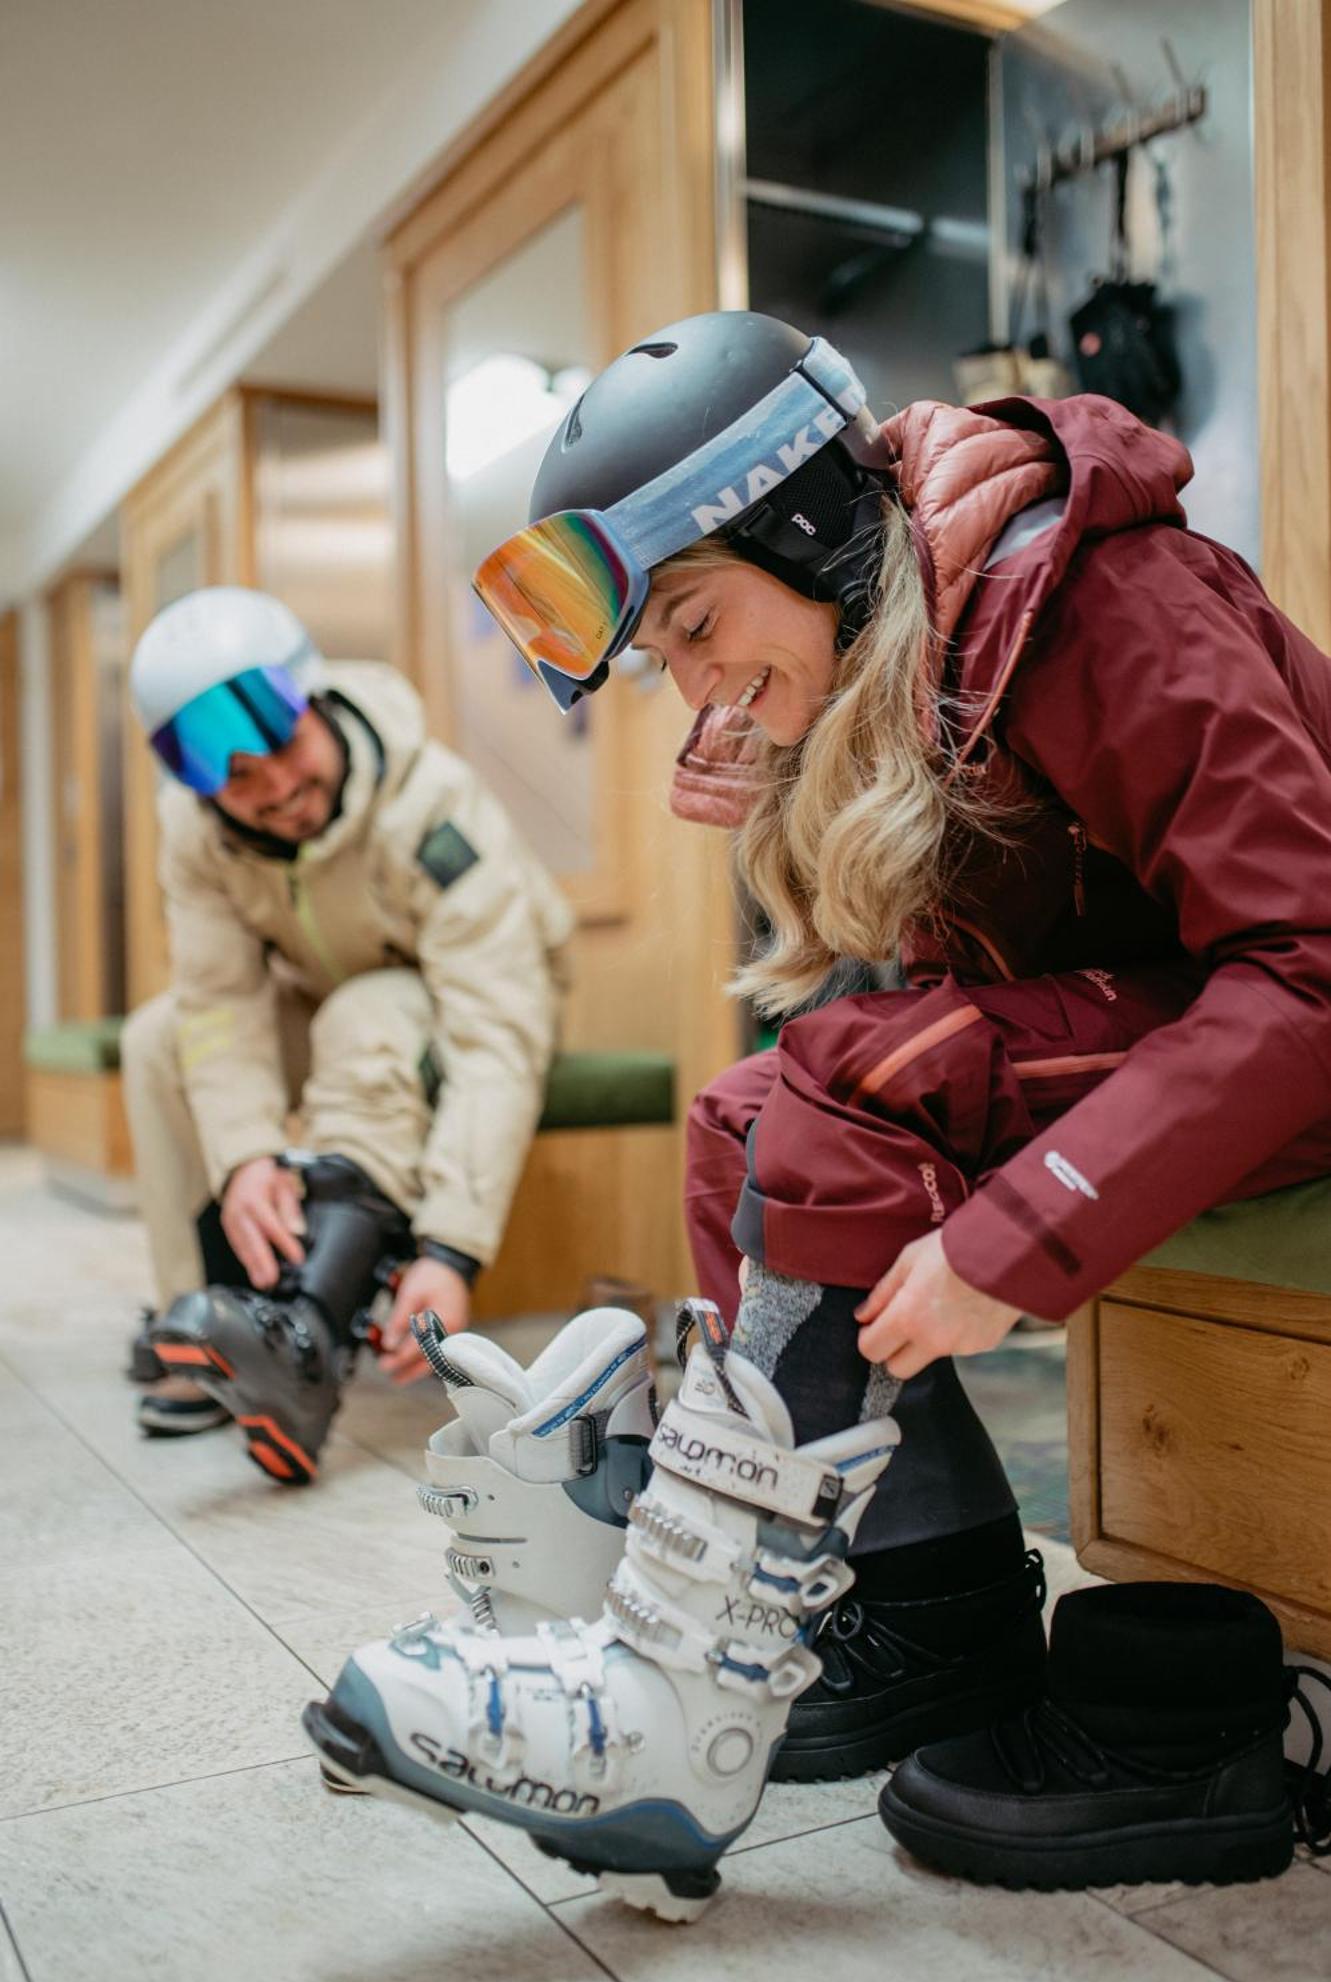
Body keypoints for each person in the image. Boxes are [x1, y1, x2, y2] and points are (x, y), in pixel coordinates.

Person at [413, 307, 1331, 1882]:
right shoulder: (922, 646)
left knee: (845, 1073)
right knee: (744, 1117)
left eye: (696, 625)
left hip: (1293, 1004)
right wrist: (794, 770)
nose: (691, 681)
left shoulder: (1106, 598)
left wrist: (1026, 1228)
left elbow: (1304, 959)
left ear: (803, 524)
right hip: (1194, 1009)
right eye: (662, 657)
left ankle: (680, 1674)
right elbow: (952, 968)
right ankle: (931, 1608)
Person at [123, 586, 572, 1483]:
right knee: (157, 1035)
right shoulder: (196, 834)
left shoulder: (432, 807)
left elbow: (495, 1036)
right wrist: (248, 1156)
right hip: (331, 1003)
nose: (278, 790)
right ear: (202, 787)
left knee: (370, 1010)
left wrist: (449, 1249)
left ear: (316, 702)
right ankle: (211, 1321)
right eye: (238, 778)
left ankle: (308, 1341)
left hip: (482, 1007)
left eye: (284, 747)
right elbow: (219, 1003)